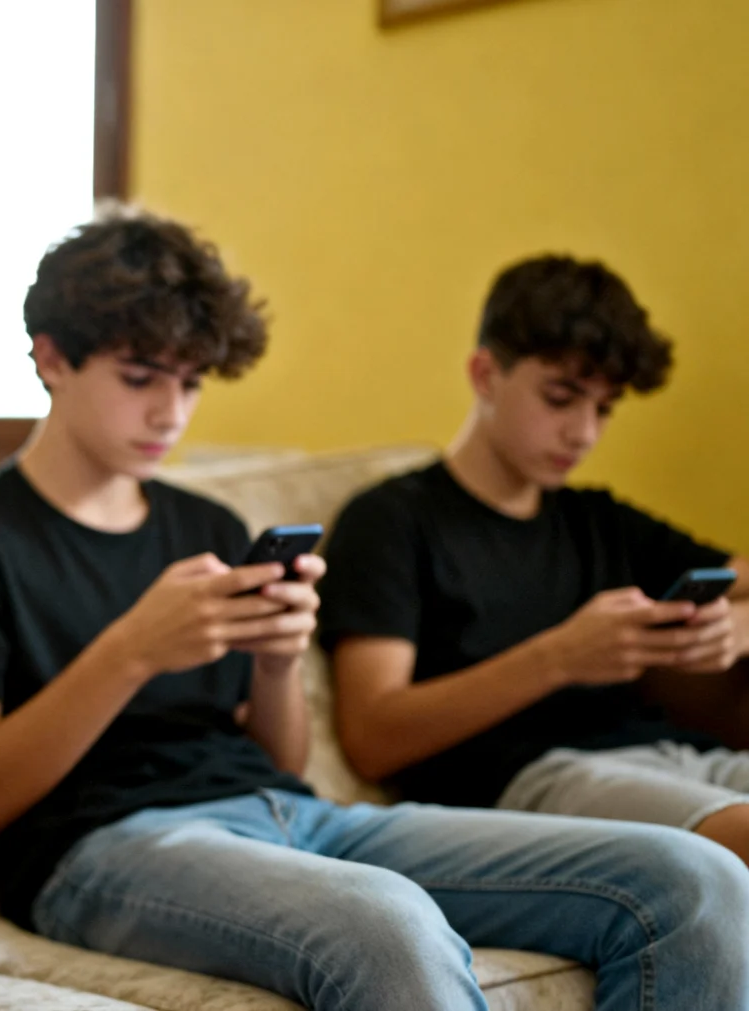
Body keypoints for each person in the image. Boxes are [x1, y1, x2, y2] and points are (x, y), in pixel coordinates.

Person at [0, 213, 749, 1010]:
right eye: (141, 378)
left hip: (295, 813)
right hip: (101, 846)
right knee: (389, 922)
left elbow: (280, 760)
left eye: (190, 382)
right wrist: (131, 651)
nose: (170, 412)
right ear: (53, 359)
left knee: (694, 877)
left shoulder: (207, 525)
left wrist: (275, 664)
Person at [321, 254, 749, 864]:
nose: (583, 434)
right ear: (485, 374)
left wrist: (735, 628)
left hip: (668, 754)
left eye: (603, 409)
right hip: (528, 783)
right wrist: (559, 657)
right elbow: (372, 736)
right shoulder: (392, 519)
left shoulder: (595, 519)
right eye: (561, 398)